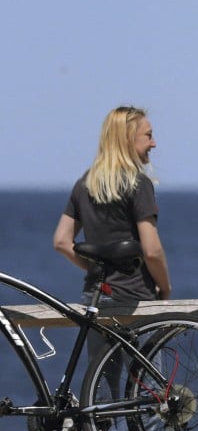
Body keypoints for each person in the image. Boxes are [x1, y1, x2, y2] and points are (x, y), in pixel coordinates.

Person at [53, 106, 171, 349]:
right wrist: (166, 288)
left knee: (101, 381)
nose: (154, 143)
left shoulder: (85, 183)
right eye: (148, 135)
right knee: (146, 382)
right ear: (129, 139)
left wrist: (98, 268)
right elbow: (152, 250)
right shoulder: (138, 184)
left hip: (97, 297)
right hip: (136, 299)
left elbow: (62, 242)